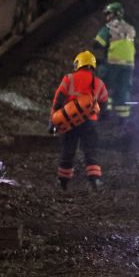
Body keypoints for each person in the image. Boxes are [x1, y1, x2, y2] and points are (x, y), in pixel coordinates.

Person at [51, 51, 109, 190]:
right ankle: (95, 181)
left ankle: (63, 183)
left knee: (68, 151)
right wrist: (99, 117)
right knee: (90, 150)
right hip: (89, 123)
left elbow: (58, 101)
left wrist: (53, 120)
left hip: (69, 122)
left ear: (78, 63)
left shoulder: (68, 79)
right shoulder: (99, 83)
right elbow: (104, 103)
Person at [93, 2, 137, 123]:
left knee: (105, 86)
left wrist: (98, 44)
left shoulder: (110, 27)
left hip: (113, 62)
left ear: (115, 14)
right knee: (123, 88)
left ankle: (104, 112)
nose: (107, 17)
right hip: (129, 64)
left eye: (109, 14)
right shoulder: (130, 28)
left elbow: (98, 43)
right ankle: (123, 117)